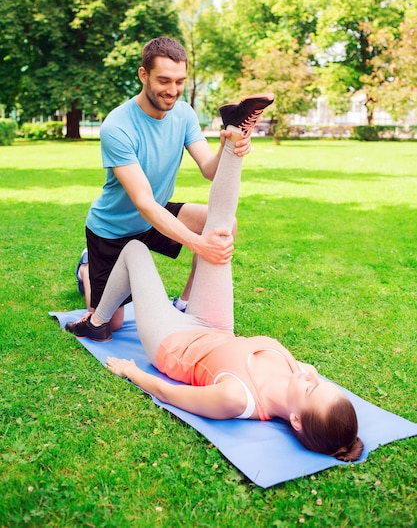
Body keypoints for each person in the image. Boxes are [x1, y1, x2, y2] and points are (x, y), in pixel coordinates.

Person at [66, 122, 364, 461]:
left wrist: (131, 371)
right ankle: (237, 135)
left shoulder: (237, 399)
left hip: (172, 341)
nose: (312, 376)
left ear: (295, 420)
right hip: (214, 326)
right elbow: (307, 381)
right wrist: (309, 382)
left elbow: (170, 393)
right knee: (219, 234)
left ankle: (96, 315)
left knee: (135, 250)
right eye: (321, 382)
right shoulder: (300, 375)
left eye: (313, 387)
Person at [82, 36, 274, 331]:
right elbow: (143, 202)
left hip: (154, 216)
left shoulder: (183, 113)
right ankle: (85, 269)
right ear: (143, 75)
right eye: (164, 81)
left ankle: (184, 303)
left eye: (179, 81)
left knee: (223, 224)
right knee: (112, 325)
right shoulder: (117, 126)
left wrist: (231, 143)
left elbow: (210, 170)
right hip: (112, 230)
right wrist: (199, 244)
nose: (172, 91)